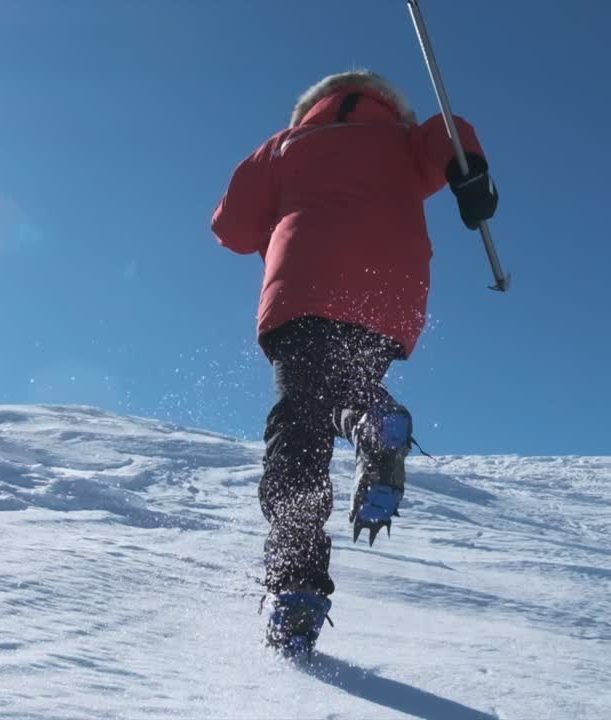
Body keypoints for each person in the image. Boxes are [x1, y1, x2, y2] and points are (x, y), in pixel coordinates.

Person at [211, 69, 498, 655]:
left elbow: (231, 228)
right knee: (338, 389)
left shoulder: (285, 146)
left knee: (298, 424)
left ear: (311, 106)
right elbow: (451, 133)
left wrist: (279, 213)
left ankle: (296, 584)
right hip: (386, 295)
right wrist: (472, 176)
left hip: (305, 287)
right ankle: (368, 418)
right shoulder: (404, 140)